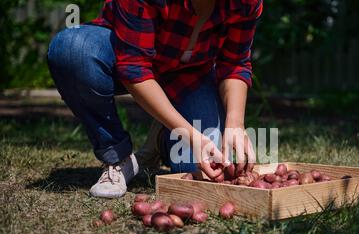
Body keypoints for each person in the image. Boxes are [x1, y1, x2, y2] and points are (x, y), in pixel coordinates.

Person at [47, 0, 262, 198]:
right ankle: (118, 156)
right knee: (72, 50)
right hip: (123, 56)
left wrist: (235, 123)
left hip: (191, 75)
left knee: (199, 171)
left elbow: (235, 63)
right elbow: (134, 68)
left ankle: (162, 137)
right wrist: (193, 137)